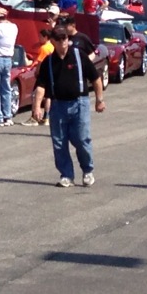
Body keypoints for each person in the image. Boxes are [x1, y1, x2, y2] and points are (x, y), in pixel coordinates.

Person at [37, 19, 105, 186]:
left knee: (82, 139)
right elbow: (41, 86)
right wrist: (37, 107)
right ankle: (66, 175)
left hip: (79, 103)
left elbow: (96, 79)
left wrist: (99, 100)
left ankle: (88, 170)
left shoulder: (78, 56)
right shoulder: (49, 62)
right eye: (59, 39)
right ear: (52, 41)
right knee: (59, 142)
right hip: (58, 105)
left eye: (65, 38)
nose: (63, 42)